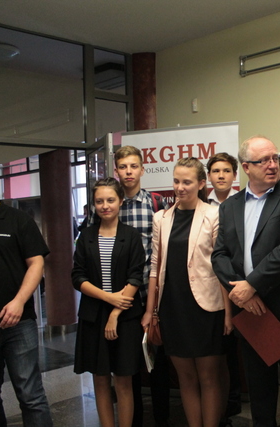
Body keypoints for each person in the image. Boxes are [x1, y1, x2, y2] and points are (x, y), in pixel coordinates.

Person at [212, 135, 280, 427]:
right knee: (260, 392)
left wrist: (252, 285)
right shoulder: (230, 206)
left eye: (275, 159)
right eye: (264, 161)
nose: (273, 165)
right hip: (251, 313)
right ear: (246, 167)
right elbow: (219, 255)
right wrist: (240, 291)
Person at [143, 157, 232, 427]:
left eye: (187, 182)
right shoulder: (161, 218)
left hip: (206, 307)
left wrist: (228, 313)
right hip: (172, 306)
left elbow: (221, 265)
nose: (180, 187)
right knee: (186, 378)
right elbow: (155, 267)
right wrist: (150, 310)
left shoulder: (214, 214)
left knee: (209, 377)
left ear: (201, 183)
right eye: (176, 181)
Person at [0, 160, 53, 427]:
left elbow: (37, 264)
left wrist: (19, 302)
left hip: (17, 323)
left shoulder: (18, 220)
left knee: (31, 396)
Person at [72, 177, 145, 427]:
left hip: (124, 316)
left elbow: (136, 276)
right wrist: (107, 297)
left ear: (121, 201)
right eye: (99, 201)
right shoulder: (86, 236)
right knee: (100, 379)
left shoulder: (131, 235)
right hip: (93, 316)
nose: (105, 206)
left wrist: (115, 312)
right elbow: (77, 276)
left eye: (110, 200)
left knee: (124, 381)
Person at [113, 145, 170, 427]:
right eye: (123, 167)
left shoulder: (155, 204)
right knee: (128, 364)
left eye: (133, 166)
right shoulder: (110, 203)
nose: (129, 172)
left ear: (142, 170)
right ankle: (133, 420)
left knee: (158, 361)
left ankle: (162, 419)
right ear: (116, 171)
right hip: (121, 296)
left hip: (152, 294)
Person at [206, 152, 243, 426]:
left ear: (234, 175)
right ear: (208, 176)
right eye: (216, 171)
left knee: (235, 353)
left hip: (238, 284)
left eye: (226, 170)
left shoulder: (242, 202)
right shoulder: (201, 205)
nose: (221, 175)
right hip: (208, 287)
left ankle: (233, 405)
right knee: (215, 355)